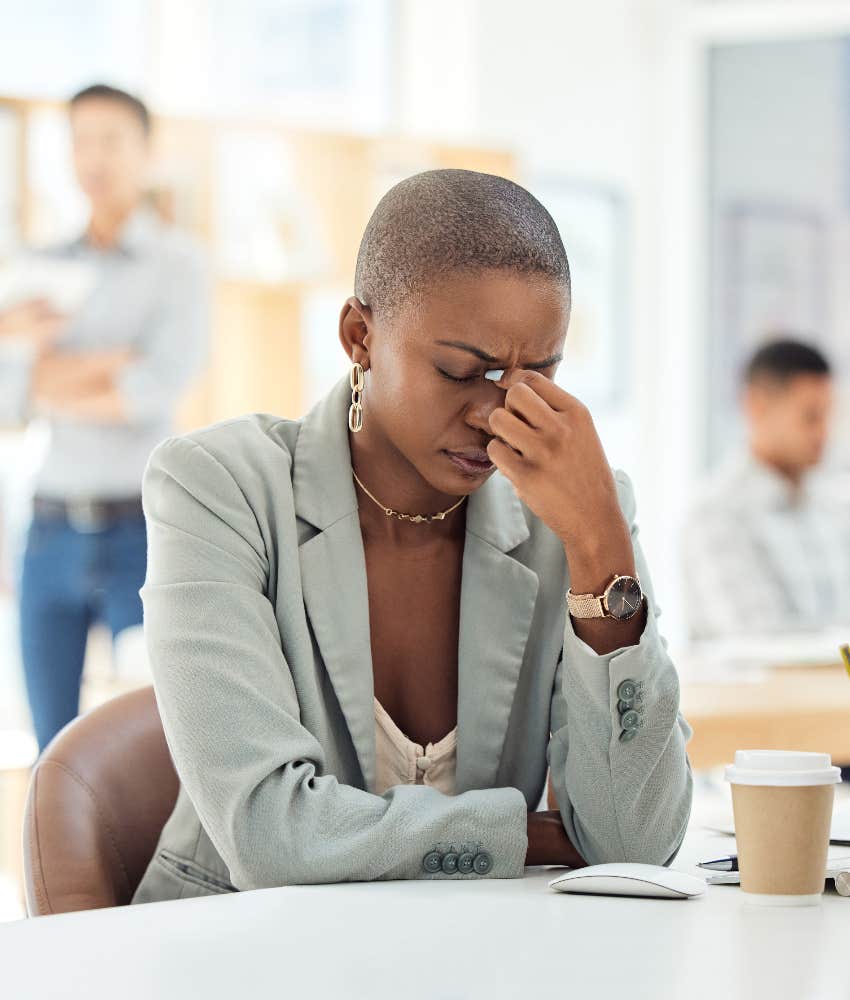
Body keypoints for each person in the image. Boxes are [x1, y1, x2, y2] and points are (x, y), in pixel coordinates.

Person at [132, 169, 692, 902]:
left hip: (473, 961)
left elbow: (634, 844)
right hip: (239, 954)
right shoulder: (216, 489)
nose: (501, 413)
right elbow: (268, 838)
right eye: (465, 371)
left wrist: (600, 553)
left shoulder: (576, 512)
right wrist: (520, 833)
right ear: (359, 337)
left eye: (542, 372)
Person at [0, 84, 209, 751]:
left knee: (155, 743)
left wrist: (47, 369)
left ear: (146, 152)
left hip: (142, 532)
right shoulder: (39, 267)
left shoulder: (179, 264)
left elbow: (152, 388)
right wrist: (105, 363)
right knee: (53, 750)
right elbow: (11, 402)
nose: (94, 157)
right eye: (81, 139)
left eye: (111, 139)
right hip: (49, 531)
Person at [682, 338, 850, 641]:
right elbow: (754, 639)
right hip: (766, 689)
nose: (825, 432)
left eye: (828, 415)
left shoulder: (834, 507)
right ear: (757, 407)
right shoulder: (715, 514)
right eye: (811, 416)